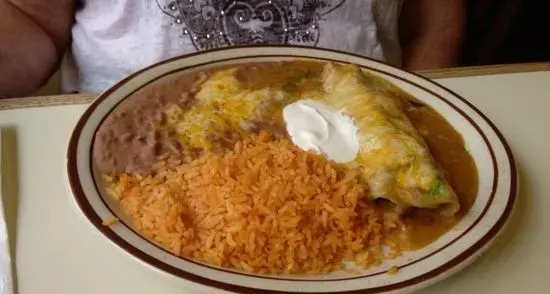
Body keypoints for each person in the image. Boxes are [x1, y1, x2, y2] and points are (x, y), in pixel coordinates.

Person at [0, 0, 465, 97]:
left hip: (364, 130)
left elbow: (434, 23)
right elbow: (31, 19)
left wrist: (415, 116)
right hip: (124, 147)